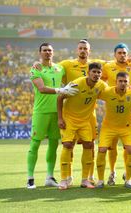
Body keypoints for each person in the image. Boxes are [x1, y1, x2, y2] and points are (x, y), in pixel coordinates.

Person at [33, 39, 106, 185]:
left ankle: (88, 177)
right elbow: (51, 66)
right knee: (68, 145)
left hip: (88, 114)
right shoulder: (66, 64)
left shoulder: (97, 66)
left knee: (90, 144)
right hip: (71, 111)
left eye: (85, 48)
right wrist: (39, 63)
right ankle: (67, 177)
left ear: (89, 50)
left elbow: (114, 64)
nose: (83, 50)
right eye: (80, 48)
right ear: (76, 50)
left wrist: (130, 60)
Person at [27, 43, 78, 189]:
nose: (47, 53)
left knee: (54, 144)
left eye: (49, 50)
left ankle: (49, 177)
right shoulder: (35, 69)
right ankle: (30, 178)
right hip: (41, 112)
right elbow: (42, 89)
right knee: (35, 143)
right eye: (44, 50)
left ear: (53, 52)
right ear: (40, 53)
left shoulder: (59, 68)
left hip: (58, 112)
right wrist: (61, 89)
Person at [57, 62, 107, 190]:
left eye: (99, 72)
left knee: (89, 145)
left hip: (85, 120)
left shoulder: (101, 85)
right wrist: (60, 118)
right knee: (68, 145)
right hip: (70, 119)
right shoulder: (77, 83)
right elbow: (60, 97)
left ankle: (85, 180)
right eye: (94, 72)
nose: (96, 74)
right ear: (88, 72)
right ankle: (63, 180)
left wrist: (130, 88)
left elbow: (113, 91)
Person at [101, 43, 131, 186]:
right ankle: (112, 172)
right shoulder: (107, 66)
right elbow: (100, 81)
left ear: (127, 54)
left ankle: (126, 173)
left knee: (127, 145)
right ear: (114, 54)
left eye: (124, 53)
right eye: (119, 53)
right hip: (113, 111)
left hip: (130, 112)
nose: (122, 55)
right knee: (111, 145)